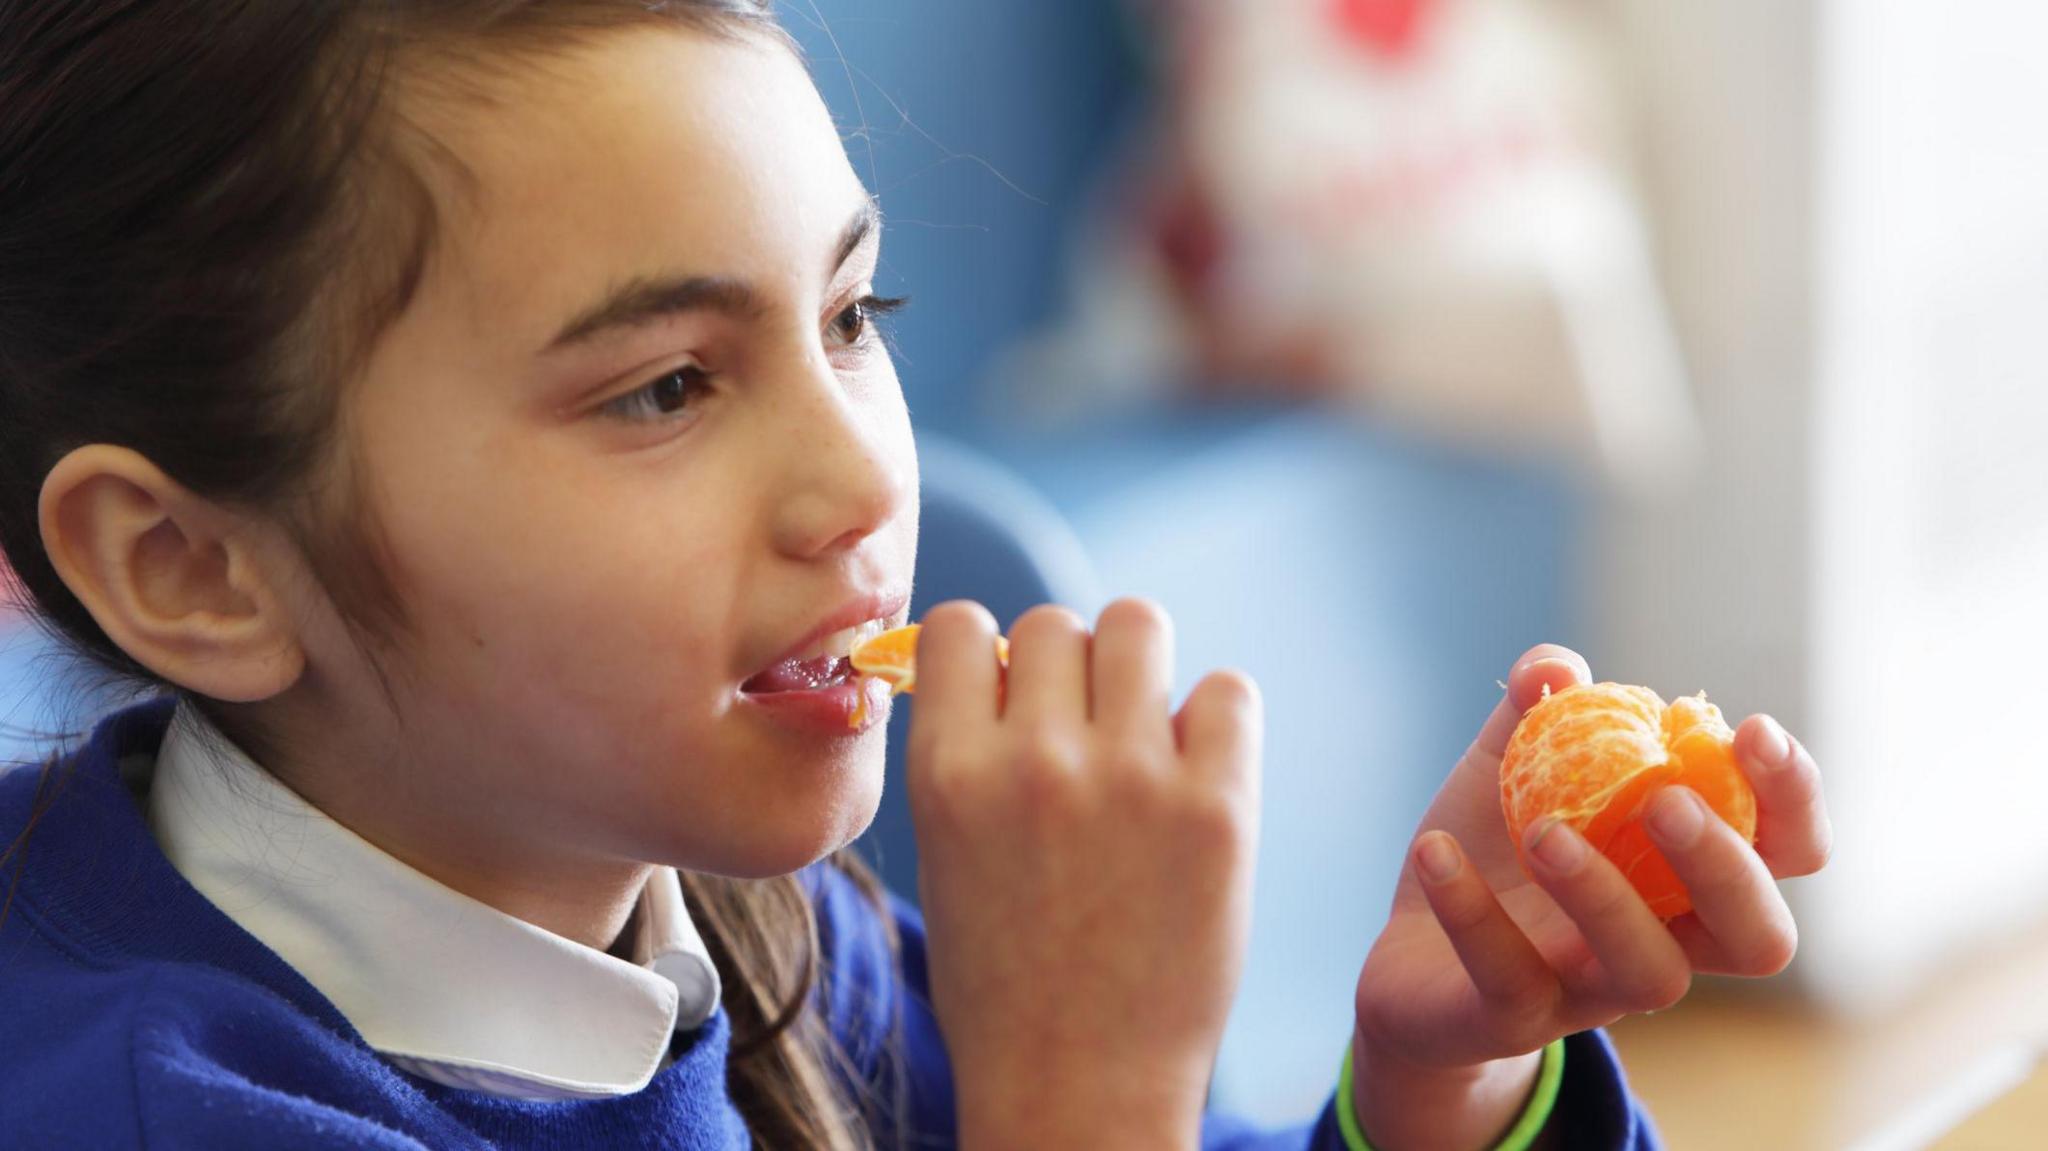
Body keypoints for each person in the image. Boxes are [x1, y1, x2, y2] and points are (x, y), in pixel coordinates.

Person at [0, 3, 1832, 1148]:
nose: (865, 477)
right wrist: (1084, 1099)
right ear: (190, 568)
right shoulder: (153, 1113)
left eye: (852, 314)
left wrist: (1439, 1079)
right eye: (664, 385)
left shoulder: (750, 918)